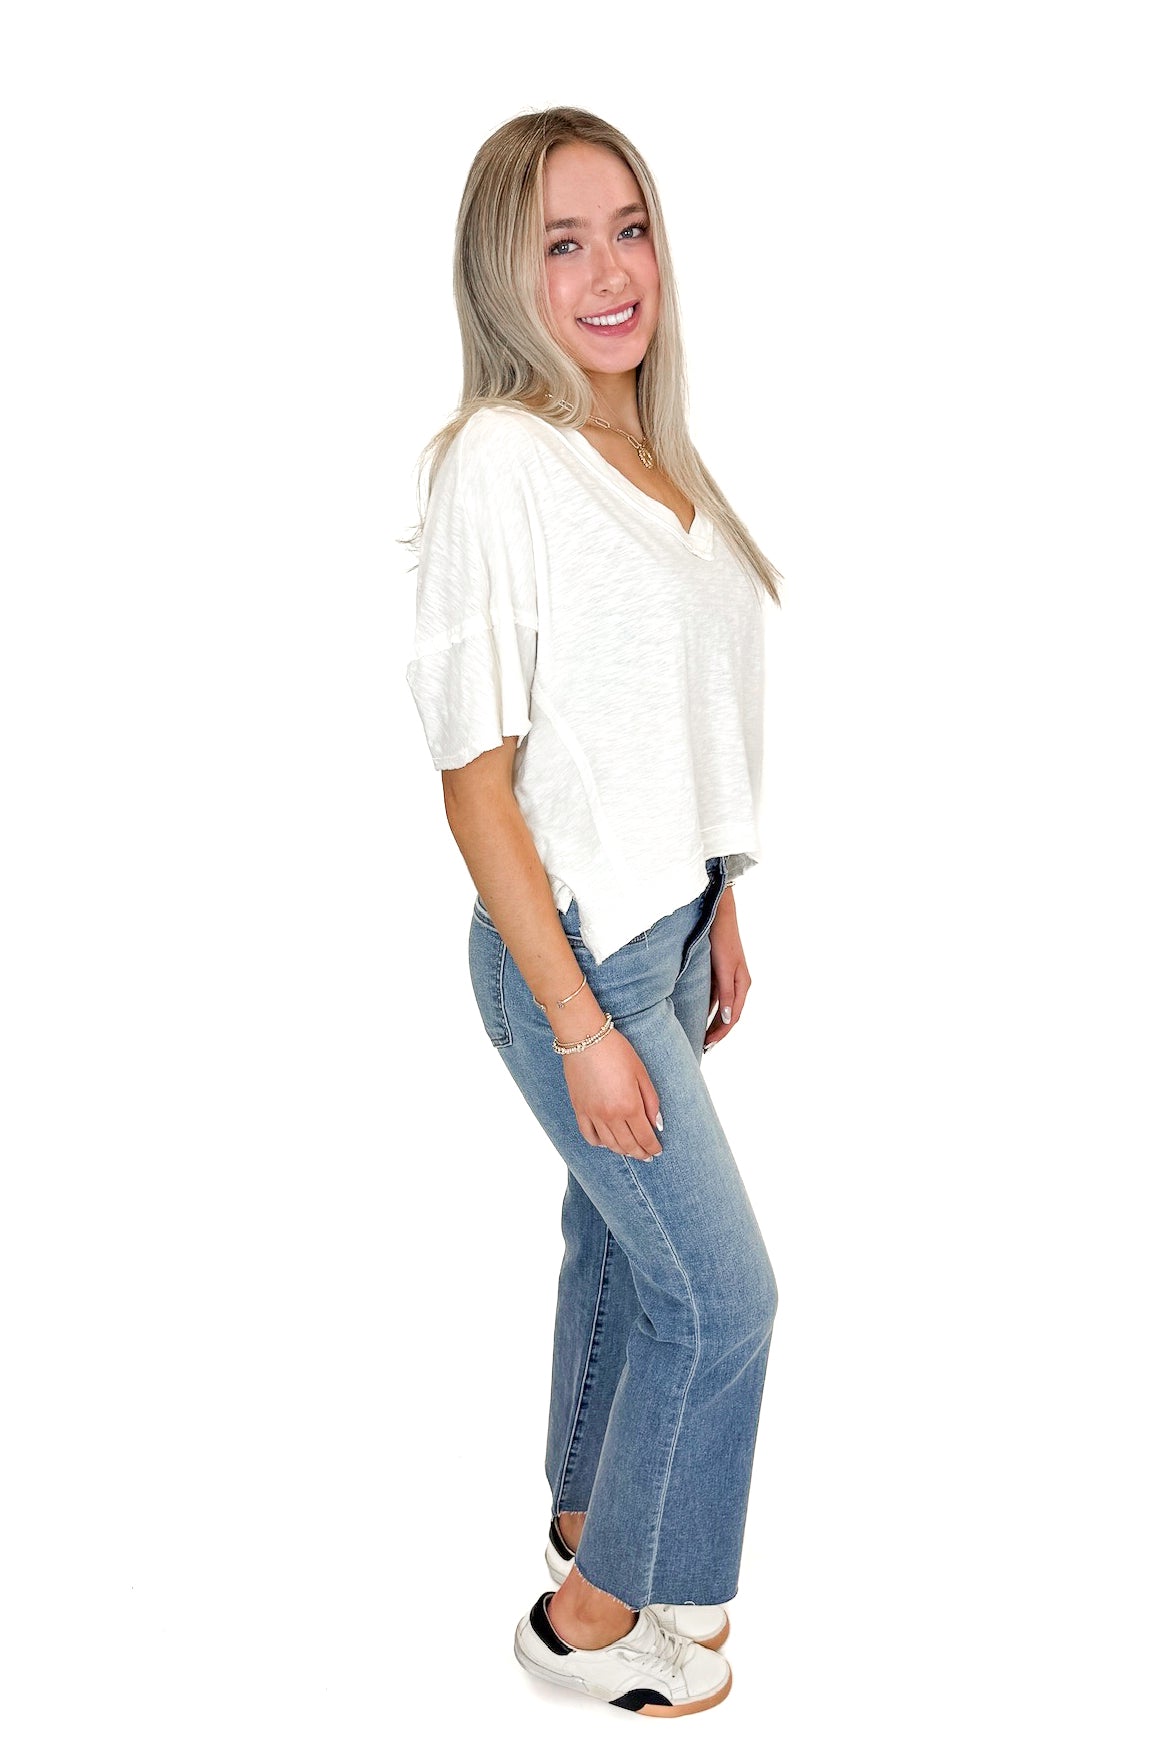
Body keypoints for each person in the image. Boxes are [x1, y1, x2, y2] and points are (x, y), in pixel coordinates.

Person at [404, 106, 782, 1719]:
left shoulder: (657, 463)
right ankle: (588, 1615)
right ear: (506, 273)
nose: (609, 270)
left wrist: (721, 896)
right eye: (560, 242)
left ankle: (584, 1502)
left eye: (626, 227)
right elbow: (473, 782)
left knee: (624, 1252)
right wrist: (577, 1021)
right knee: (722, 1296)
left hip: (664, 928)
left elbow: (670, 720)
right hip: (568, 953)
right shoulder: (503, 458)